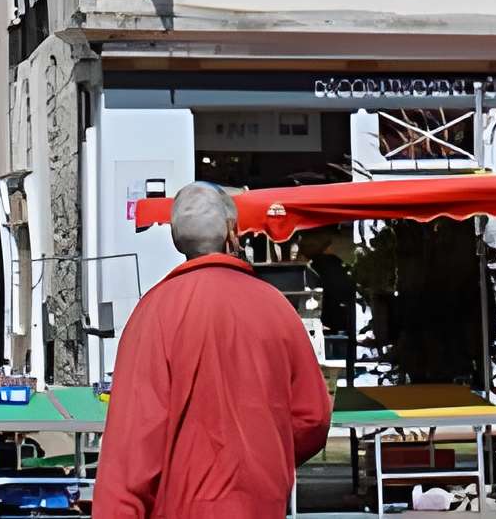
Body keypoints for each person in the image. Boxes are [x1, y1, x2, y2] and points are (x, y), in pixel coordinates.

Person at [92, 185, 329, 519]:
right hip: (261, 504)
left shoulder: (153, 313)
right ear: (232, 232)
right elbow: (313, 418)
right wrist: (263, 459)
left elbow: (132, 444)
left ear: (176, 241)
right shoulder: (276, 308)